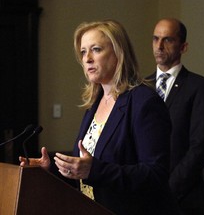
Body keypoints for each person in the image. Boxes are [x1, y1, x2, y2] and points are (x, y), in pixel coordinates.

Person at [19, 19, 179, 215]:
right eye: (83, 52)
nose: (87, 59)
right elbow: (84, 171)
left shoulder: (144, 102)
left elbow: (156, 174)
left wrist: (94, 170)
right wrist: (52, 168)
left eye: (95, 49)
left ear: (118, 53)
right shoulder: (95, 104)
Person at [147, 18, 204, 215]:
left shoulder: (199, 87)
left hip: (183, 199)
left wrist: (168, 189)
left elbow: (200, 147)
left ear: (183, 46)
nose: (159, 46)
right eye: (155, 39)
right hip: (145, 197)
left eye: (167, 40)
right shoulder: (141, 86)